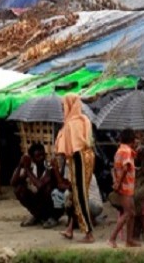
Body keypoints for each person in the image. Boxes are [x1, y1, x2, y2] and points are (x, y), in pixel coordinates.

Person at [54, 94, 95, 242]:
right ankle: (70, 229)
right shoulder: (84, 119)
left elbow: (68, 148)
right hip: (88, 156)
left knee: (80, 195)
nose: (63, 108)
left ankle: (88, 232)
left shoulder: (71, 124)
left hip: (78, 158)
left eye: (63, 105)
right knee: (74, 194)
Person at [51, 154, 104, 229]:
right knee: (67, 194)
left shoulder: (82, 173)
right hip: (90, 203)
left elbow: (63, 186)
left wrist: (55, 169)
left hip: (93, 204)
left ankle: (88, 221)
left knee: (70, 196)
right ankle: (77, 221)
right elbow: (63, 184)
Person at [12, 143, 57, 227]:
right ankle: (37, 215)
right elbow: (13, 182)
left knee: (47, 188)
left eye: (43, 155)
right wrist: (20, 165)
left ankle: (51, 217)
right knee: (19, 189)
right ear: (32, 158)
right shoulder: (32, 167)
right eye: (38, 156)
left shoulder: (49, 168)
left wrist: (27, 169)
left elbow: (40, 185)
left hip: (51, 205)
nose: (42, 158)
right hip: (38, 202)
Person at [109, 128, 140, 248]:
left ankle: (129, 240)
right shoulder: (126, 151)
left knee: (131, 213)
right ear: (132, 140)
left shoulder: (120, 150)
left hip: (126, 186)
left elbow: (117, 168)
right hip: (125, 186)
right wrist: (118, 183)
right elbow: (126, 167)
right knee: (128, 213)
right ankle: (112, 238)